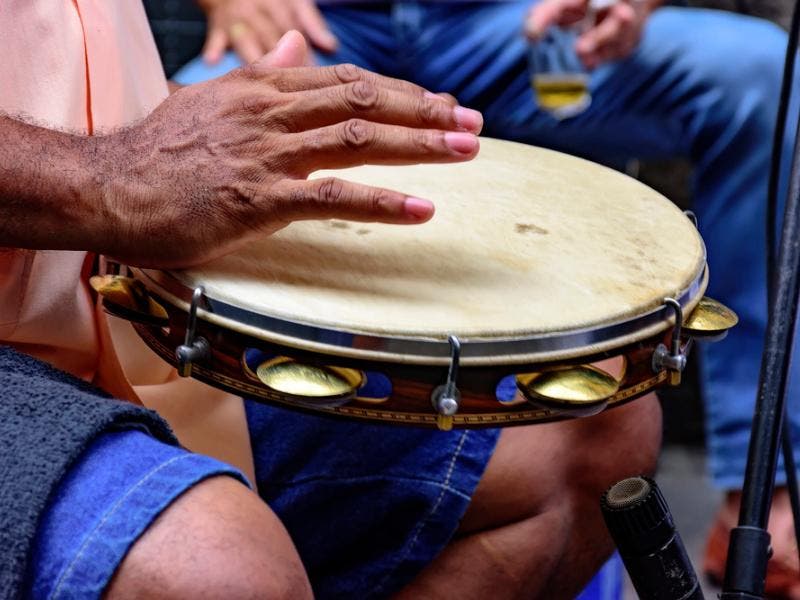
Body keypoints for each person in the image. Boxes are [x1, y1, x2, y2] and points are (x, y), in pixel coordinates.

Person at [0, 2, 660, 598]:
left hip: (113, 290)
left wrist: (200, 126)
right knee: (217, 572)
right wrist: (113, 175)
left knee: (584, 420)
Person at [176, 0, 800, 594]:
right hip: (324, 27)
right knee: (182, 132)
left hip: (514, 26)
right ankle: (194, 486)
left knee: (759, 74)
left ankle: (765, 495)